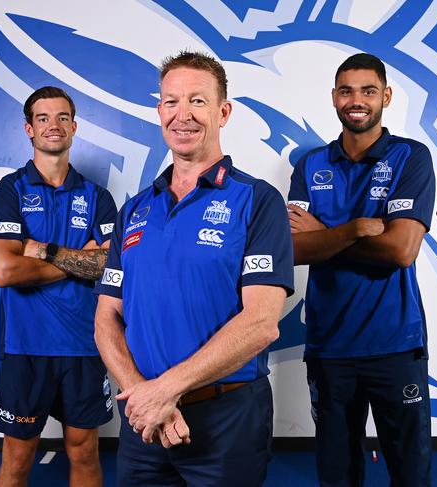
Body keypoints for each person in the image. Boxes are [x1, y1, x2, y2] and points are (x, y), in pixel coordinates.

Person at [94, 51, 294, 487]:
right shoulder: (134, 210)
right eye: (171, 102)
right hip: (143, 419)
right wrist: (144, 398)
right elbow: (106, 319)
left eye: (197, 102)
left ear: (223, 112)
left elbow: (261, 323)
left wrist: (165, 390)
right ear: (159, 110)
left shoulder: (257, 202)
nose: (182, 115)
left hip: (227, 418)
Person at [288, 53, 435, 486]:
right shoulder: (310, 165)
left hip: (395, 344)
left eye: (368, 90)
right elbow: (293, 248)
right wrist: (354, 230)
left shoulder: (412, 157)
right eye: (347, 90)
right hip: (330, 348)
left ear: (385, 96)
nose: (357, 100)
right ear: (334, 97)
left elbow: (401, 250)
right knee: (337, 475)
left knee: (411, 474)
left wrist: (326, 235)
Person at [0, 86, 117, 487]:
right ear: (29, 128)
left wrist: (44, 251)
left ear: (74, 127)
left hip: (84, 346)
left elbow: (110, 265)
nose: (53, 125)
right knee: (18, 458)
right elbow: (6, 271)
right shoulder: (9, 191)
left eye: (62, 117)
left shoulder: (98, 197)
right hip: (26, 348)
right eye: (43, 118)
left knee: (84, 453)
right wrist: (79, 259)